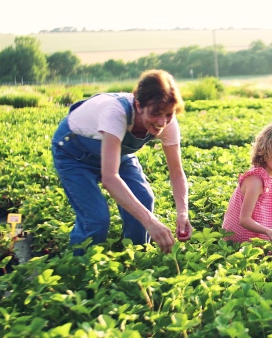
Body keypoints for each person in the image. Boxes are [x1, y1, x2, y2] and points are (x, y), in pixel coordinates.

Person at [51, 69, 192, 254]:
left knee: (144, 198)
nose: (162, 122)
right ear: (139, 105)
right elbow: (110, 178)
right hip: (74, 153)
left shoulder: (167, 123)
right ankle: (78, 269)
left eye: (168, 114)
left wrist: (182, 213)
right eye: (156, 113)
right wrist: (150, 222)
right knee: (96, 219)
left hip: (115, 153)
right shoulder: (116, 112)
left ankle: (136, 260)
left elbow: (176, 172)